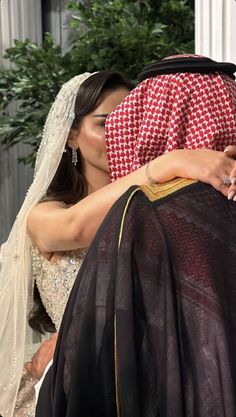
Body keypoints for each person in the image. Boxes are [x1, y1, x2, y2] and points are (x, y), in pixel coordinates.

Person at [0, 62, 236, 417]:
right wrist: (168, 163)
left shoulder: (158, 208)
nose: (124, 133)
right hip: (74, 388)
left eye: (132, 118)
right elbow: (75, 226)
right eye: (105, 123)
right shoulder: (44, 214)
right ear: (71, 135)